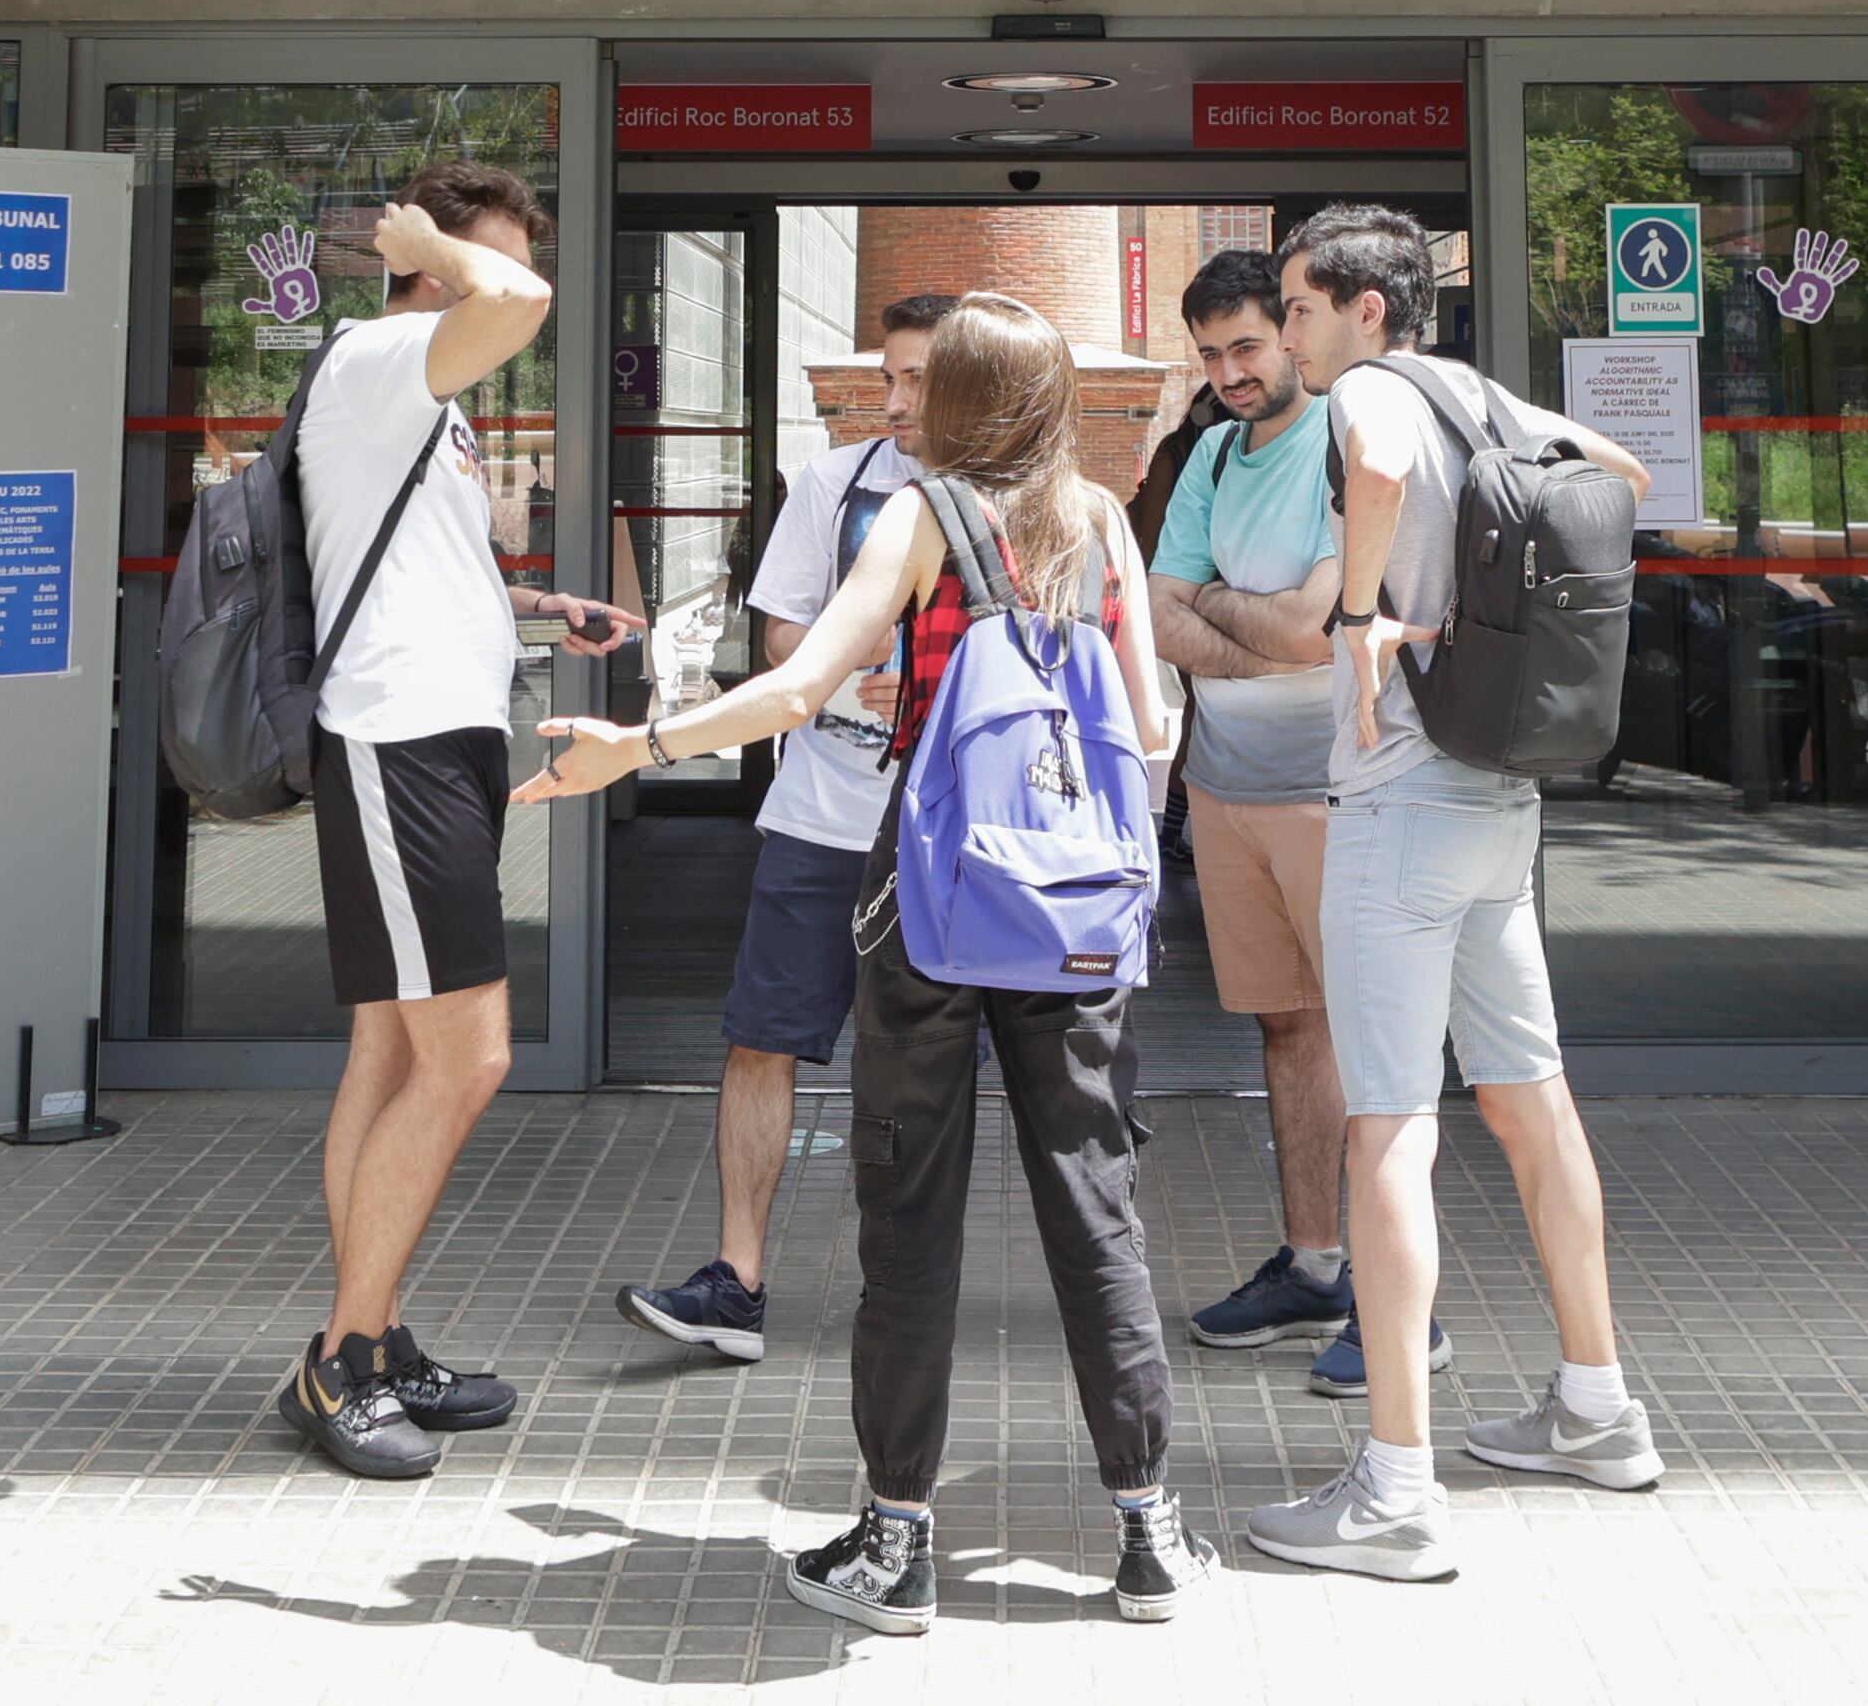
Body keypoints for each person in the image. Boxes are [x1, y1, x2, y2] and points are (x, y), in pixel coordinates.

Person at [525, 293, 1213, 1632]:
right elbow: (1149, 720)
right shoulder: (1105, 523)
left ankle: (898, 1542)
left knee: (909, 1216)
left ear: (962, 401)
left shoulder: (919, 518)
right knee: (1097, 1206)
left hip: (937, 901)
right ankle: (1150, 1534)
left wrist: (640, 745)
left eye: (925, 386)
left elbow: (794, 690)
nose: (902, 406)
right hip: (1073, 918)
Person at [1241, 205, 1668, 1581]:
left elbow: (1367, 460)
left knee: (1386, 1130)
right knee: (1531, 1095)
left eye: (1301, 307)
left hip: (1405, 801)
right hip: (1503, 801)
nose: (1291, 333)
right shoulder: (1479, 391)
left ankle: (1396, 1485)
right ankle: (1598, 1406)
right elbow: (1623, 469)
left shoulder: (1371, 391)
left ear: (1367, 311)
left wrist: (1363, 616)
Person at [276, 160, 599, 1481]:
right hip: (393, 738)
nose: (519, 279)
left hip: (440, 731)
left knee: (391, 1058)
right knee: (468, 1057)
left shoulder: (427, 397)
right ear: (429, 266)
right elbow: (517, 295)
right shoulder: (373, 353)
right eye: (485, 255)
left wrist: (542, 610)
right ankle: (336, 1360)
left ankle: (377, 1335)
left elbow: (409, 563)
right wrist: (428, 245)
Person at [610, 290, 955, 1362]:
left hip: (952, 834)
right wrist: (854, 670)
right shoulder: (833, 483)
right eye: (886, 377)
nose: (895, 400)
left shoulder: (1020, 500)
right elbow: (776, 637)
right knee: (761, 1039)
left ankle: (910, 1300)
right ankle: (735, 1282)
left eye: (919, 381)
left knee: (938, 1071)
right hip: (817, 819)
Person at [1137, 251, 1367, 1358]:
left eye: (1245, 346)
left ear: (1291, 336)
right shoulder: (1213, 456)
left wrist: (1233, 627)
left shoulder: (1343, 439)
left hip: (1336, 790)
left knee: (1368, 1036)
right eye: (1209, 354)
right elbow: (1154, 610)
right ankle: (1314, 1265)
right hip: (1224, 787)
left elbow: (1314, 632)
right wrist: (1256, 629)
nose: (1228, 372)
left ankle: (1390, 1298)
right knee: (1285, 1027)